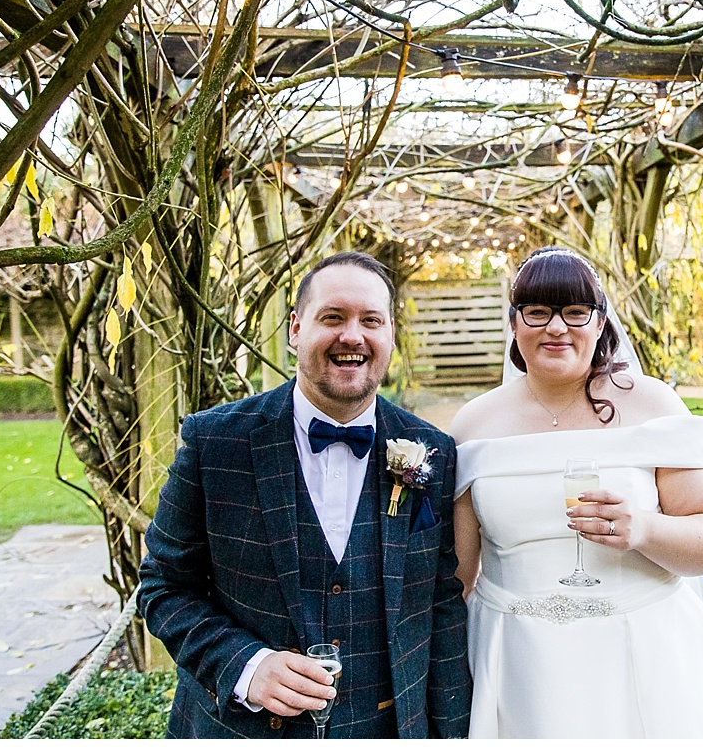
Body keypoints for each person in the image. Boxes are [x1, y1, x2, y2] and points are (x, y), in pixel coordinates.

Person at [447, 246, 703, 738]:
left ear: (601, 323)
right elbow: (459, 573)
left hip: (644, 651)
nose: (556, 329)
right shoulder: (474, 423)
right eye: (537, 312)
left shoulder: (653, 405)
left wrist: (644, 528)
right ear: (514, 325)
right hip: (514, 658)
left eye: (575, 312)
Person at [140, 252, 472, 738]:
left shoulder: (432, 453)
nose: (352, 336)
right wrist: (247, 666)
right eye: (332, 317)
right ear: (296, 329)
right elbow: (164, 585)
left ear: (390, 336)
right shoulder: (215, 443)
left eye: (371, 321)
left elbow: (441, 608)